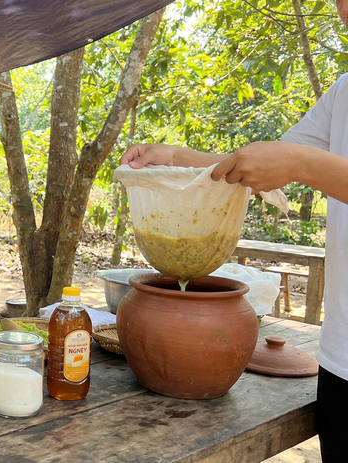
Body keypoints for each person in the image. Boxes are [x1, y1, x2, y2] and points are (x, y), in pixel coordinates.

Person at [121, 2, 347, 460]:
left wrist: (301, 163)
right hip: (341, 358)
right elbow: (261, 164)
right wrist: (176, 158)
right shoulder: (343, 93)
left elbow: (296, 162)